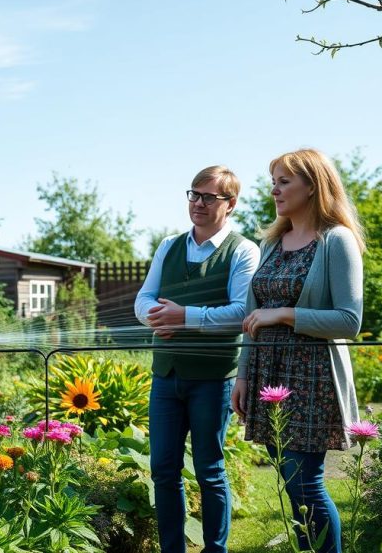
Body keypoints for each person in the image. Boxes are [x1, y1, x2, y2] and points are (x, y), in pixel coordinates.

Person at [231, 148, 364, 553]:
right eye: (274, 181)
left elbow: (349, 321)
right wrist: (242, 375)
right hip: (268, 376)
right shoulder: (272, 242)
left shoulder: (336, 241)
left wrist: (286, 314)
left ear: (313, 186)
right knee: (293, 489)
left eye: (284, 181)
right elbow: (253, 317)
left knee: (306, 485)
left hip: (312, 378)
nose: (274, 189)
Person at [135, 165, 259, 553]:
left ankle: (215, 549)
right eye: (194, 194)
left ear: (231, 204)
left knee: (210, 470)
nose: (199, 204)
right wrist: (155, 317)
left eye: (210, 197)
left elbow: (242, 313)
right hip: (165, 375)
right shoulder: (169, 245)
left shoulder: (243, 249)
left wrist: (183, 317)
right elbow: (143, 299)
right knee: (163, 471)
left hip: (213, 377)